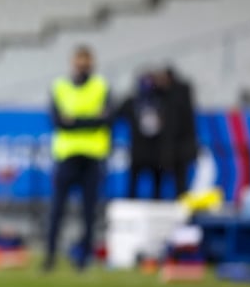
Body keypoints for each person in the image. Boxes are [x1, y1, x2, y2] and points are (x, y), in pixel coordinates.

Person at [44, 45, 112, 272]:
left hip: (93, 156)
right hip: (67, 156)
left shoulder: (101, 86)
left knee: (89, 212)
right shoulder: (60, 86)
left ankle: (84, 259)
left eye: (86, 62)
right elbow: (58, 121)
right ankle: (50, 257)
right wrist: (90, 120)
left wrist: (74, 121)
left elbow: (105, 119)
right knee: (57, 210)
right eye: (79, 62)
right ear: (73, 63)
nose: (82, 66)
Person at [119, 71, 166, 199]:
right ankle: (131, 203)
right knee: (133, 182)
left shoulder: (161, 101)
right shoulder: (133, 102)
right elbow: (118, 112)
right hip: (139, 149)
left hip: (155, 149)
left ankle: (156, 205)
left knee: (157, 184)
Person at [155, 66, 198, 197]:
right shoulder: (178, 95)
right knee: (177, 179)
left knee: (180, 179)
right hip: (178, 147)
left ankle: (181, 201)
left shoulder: (175, 98)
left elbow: (174, 126)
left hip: (179, 148)